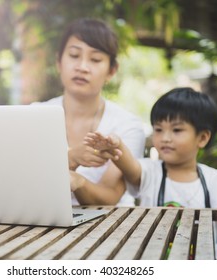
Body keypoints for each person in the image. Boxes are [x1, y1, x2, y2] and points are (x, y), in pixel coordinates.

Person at [84, 87, 217, 217]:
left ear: (202, 138)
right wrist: (116, 145)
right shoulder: (150, 172)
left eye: (176, 130)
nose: (165, 138)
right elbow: (130, 165)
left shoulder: (215, 179)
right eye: (158, 129)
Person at [36, 18, 145, 206]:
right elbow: (21, 180)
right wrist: (71, 158)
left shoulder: (127, 126)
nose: (82, 67)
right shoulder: (35, 116)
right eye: (74, 55)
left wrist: (79, 182)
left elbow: (110, 196)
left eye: (95, 59)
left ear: (111, 71)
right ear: (59, 62)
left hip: (111, 228)